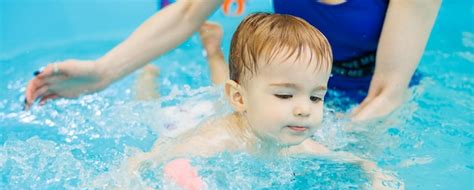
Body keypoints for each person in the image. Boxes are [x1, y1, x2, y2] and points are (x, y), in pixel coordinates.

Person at [105, 13, 417, 190]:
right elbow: (139, 161)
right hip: (191, 119)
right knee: (153, 111)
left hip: (241, 101)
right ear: (239, 99)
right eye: (285, 95)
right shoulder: (213, 142)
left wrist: (383, 184)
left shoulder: (299, 145)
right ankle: (148, 75)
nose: (304, 111)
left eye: (315, 98)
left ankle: (213, 51)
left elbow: (362, 162)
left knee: (230, 87)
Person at [24, 0, 441, 121]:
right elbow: (189, 12)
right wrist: (103, 73)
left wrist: (335, 140)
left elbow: (388, 91)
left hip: (367, 102)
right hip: (281, 93)